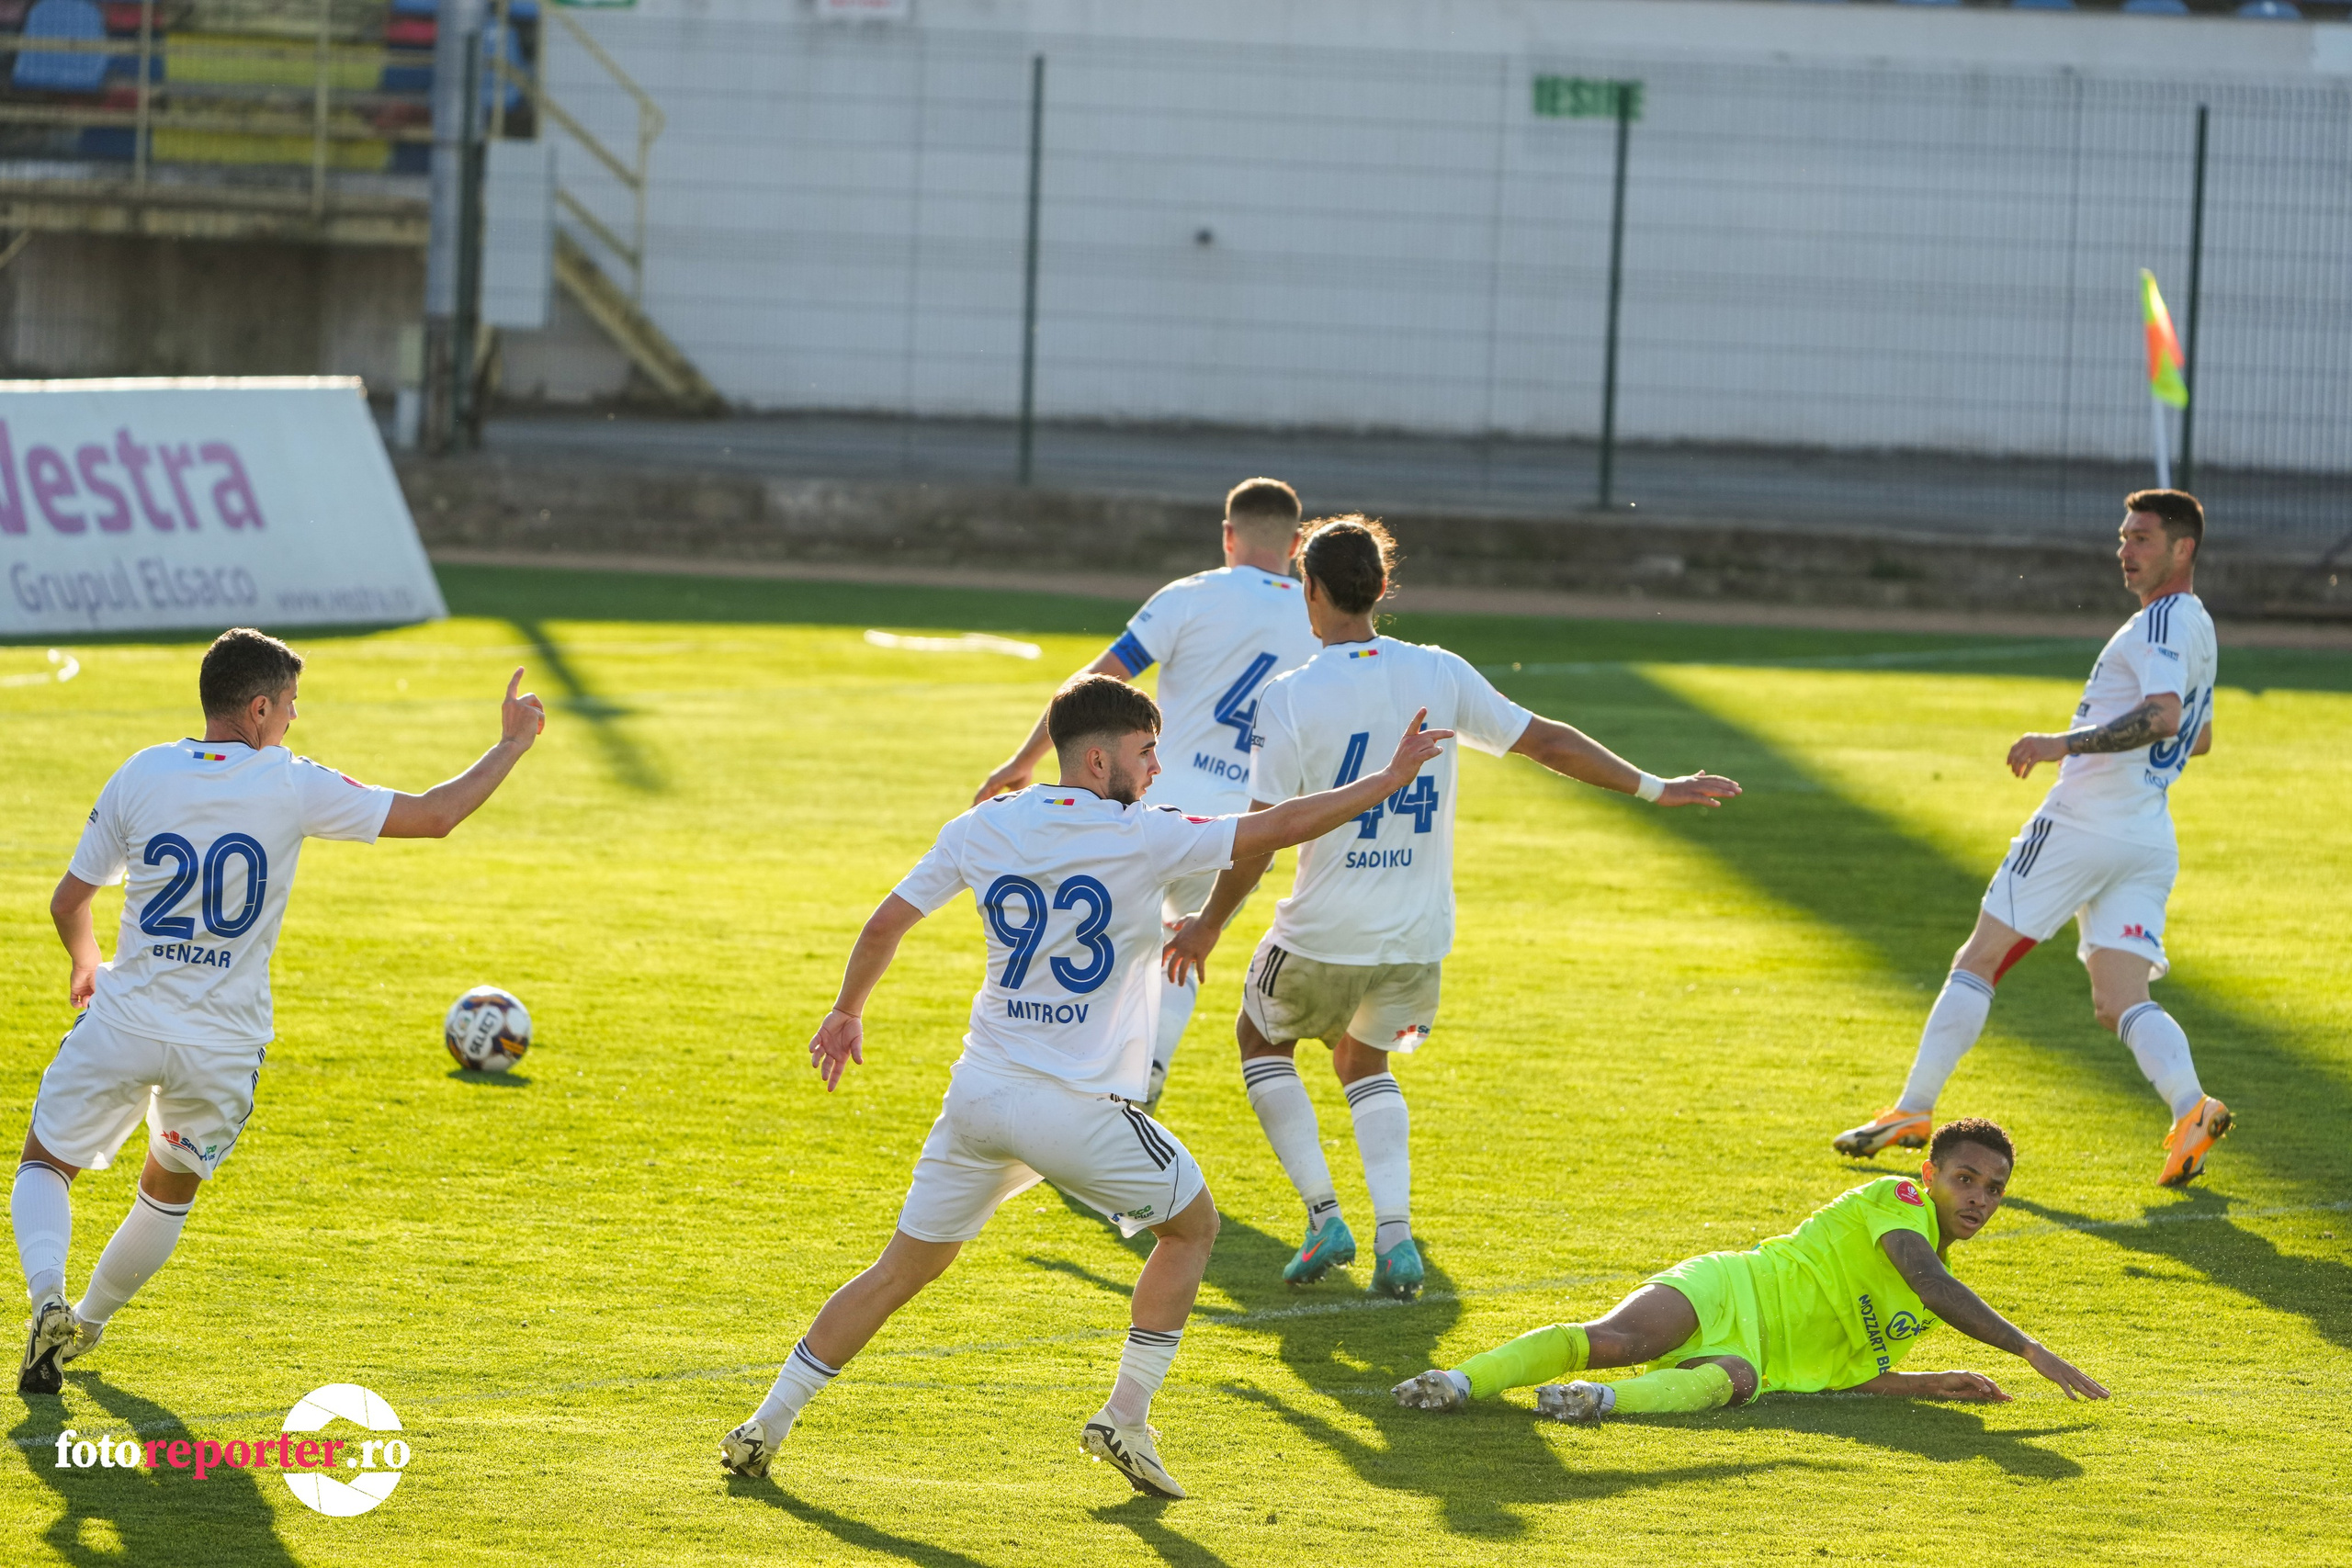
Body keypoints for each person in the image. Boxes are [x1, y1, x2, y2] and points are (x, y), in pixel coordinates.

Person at [722, 674, 1453, 1500]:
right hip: (1073, 1106)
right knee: (1193, 1227)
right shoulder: (1145, 834)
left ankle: (764, 1423)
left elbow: (889, 920)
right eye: (1147, 752)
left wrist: (847, 1009)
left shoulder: (985, 822)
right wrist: (1388, 779)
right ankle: (1126, 1416)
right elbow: (1278, 826)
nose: (1157, 768)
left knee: (898, 1270)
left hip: (979, 1096)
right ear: (1099, 760)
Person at [1162, 517, 1741, 1301]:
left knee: (1261, 1040)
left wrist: (1208, 924)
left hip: (1326, 928)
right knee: (1363, 1060)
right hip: (1419, 934)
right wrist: (1656, 786)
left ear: (1313, 590)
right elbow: (1547, 742)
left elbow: (1263, 835)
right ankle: (1397, 1238)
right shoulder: (1439, 671)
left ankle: (1326, 1216)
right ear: (1382, 587)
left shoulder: (1291, 696)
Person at [15, 628, 545, 1395]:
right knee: (168, 1187)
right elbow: (436, 815)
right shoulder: (291, 782)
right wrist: (511, 744)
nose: (295, 718)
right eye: (291, 703)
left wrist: (85, 960)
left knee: (46, 1163)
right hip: (223, 1045)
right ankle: (87, 1324)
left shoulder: (141, 771)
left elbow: (69, 900)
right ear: (259, 708)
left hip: (125, 1021)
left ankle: (47, 1300)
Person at [1834, 491, 2228, 1188]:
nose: (2125, 550)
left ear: (2183, 548)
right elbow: (2200, 738)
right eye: (2123, 537)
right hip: (2145, 834)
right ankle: (2192, 1107)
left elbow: (2167, 717)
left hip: (2081, 824)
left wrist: (2060, 742)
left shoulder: (2163, 620)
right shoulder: (2198, 623)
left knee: (1978, 959)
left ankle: (1914, 1109)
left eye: (2141, 538)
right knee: (2119, 1000)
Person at [976, 478, 1321, 1109]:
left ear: (1228, 535)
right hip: (1245, 826)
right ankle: (1147, 1072)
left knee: (1102, 934)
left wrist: (1024, 760)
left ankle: (1073, 1071)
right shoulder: (1314, 615)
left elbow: (1095, 684)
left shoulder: (1191, 595)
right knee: (1186, 941)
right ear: (1297, 544)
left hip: (1155, 804)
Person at [1392, 1118, 2109, 1421]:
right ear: (1931, 1174)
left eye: (1994, 1189)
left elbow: (1840, 1372)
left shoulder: (1926, 1311)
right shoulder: (1898, 1201)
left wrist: (1927, 1381)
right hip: (1732, 1286)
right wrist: (2028, 1348)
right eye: (1966, 1179)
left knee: (1733, 1380)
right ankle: (1459, 1380)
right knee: (1619, 1340)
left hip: (1759, 1356)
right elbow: (1928, 1277)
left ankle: (1592, 1402)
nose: (1979, 1198)